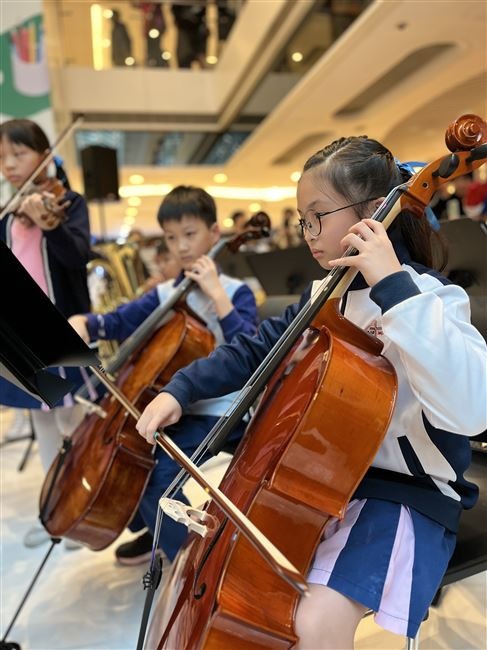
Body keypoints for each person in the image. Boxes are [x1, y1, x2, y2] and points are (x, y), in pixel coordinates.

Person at [135, 136, 487, 647]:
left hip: (407, 493)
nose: (308, 234)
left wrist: (392, 286)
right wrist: (180, 390)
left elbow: (473, 408)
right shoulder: (325, 293)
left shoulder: (430, 296)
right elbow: (255, 348)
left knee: (315, 623)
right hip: (325, 483)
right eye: (304, 220)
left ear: (374, 211)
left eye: (318, 216)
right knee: (253, 591)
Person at [68, 185, 258, 564]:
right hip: (178, 408)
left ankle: (191, 563)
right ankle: (156, 532)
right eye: (171, 238)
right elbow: (120, 320)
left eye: (190, 234)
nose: (181, 247)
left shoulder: (237, 292)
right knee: (132, 464)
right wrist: (86, 323)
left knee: (156, 480)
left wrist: (217, 296)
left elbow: (253, 352)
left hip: (222, 410)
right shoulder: (165, 292)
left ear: (214, 233)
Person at [0, 118, 92, 549]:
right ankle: (53, 513)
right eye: (2, 158)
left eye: (18, 154)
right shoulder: (7, 218)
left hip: (60, 329)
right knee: (42, 425)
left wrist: (51, 226)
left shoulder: (68, 203)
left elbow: (78, 258)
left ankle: (80, 509)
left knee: (72, 423)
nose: (9, 164)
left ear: (43, 155)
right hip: (22, 337)